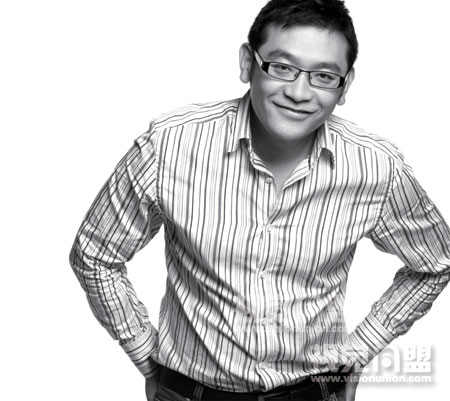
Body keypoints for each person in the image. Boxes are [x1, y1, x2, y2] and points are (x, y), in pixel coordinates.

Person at [69, 0, 450, 400]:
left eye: (323, 76)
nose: (299, 93)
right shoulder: (170, 145)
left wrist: (357, 353)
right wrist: (147, 357)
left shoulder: (375, 167)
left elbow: (436, 261)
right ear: (247, 63)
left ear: (345, 86)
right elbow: (95, 254)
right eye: (282, 67)